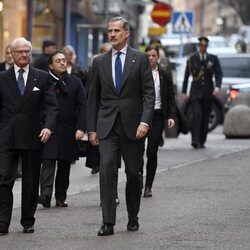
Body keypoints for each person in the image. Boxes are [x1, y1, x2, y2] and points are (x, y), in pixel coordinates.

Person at [87, 16, 155, 236]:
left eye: (117, 31)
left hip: (134, 127)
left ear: (127, 33)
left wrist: (145, 121)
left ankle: (133, 215)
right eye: (110, 31)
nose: (112, 34)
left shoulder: (141, 58)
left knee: (133, 174)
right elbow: (92, 99)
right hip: (107, 126)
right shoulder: (99, 61)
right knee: (106, 171)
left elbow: (148, 94)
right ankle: (108, 222)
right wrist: (92, 129)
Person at [0, 37, 57, 236]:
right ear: (12, 54)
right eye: (20, 52)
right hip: (7, 136)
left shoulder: (41, 77)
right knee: (4, 178)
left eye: (27, 52)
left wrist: (48, 127)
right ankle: (2, 222)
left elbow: (51, 106)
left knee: (31, 181)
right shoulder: (2, 78)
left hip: (34, 134)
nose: (24, 55)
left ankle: (27, 221)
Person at [38, 50, 86, 208]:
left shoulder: (75, 81)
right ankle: (45, 194)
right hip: (48, 127)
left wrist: (81, 128)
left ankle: (60, 196)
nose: (62, 63)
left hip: (68, 128)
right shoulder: (43, 80)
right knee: (48, 160)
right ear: (51, 65)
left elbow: (82, 106)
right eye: (58, 61)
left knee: (64, 164)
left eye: (64, 60)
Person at [143, 45, 176, 198]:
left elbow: (170, 97)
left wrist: (170, 116)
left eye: (153, 55)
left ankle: (148, 185)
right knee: (136, 153)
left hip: (157, 115)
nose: (150, 58)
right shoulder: (138, 73)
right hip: (140, 116)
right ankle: (136, 181)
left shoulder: (164, 74)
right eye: (148, 55)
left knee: (151, 151)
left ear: (158, 57)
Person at [182, 36, 223, 149]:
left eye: (205, 46)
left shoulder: (213, 59)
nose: (203, 48)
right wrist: (184, 92)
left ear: (206, 47)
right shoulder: (192, 59)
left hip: (208, 93)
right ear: (198, 46)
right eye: (201, 46)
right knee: (196, 115)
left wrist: (218, 87)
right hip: (195, 93)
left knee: (205, 116)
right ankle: (194, 140)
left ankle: (202, 140)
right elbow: (186, 77)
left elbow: (218, 74)